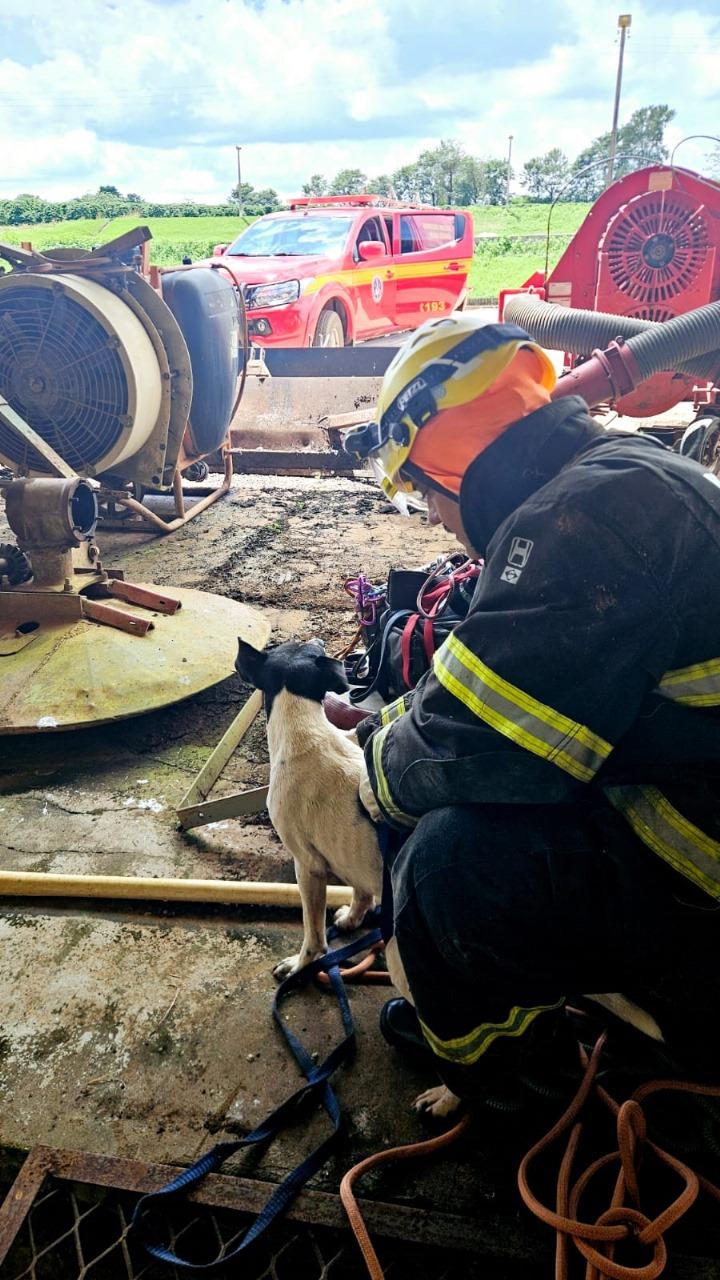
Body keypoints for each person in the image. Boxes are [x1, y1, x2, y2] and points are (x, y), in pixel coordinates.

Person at [342, 313, 720, 1104]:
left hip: (700, 874)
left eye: (423, 496)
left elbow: (481, 740)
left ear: (445, 464)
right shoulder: (616, 475)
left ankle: (508, 1079)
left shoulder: (585, 519)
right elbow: (497, 671)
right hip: (691, 788)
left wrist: (370, 770)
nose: (440, 520)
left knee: (451, 865)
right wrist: (391, 724)